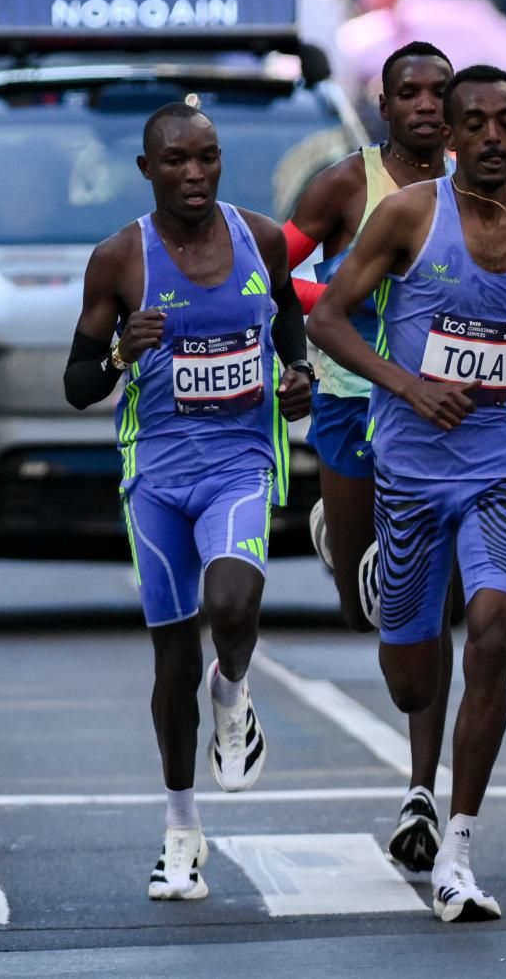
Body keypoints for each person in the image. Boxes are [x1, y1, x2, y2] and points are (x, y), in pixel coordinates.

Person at [307, 65, 506, 921]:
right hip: (409, 470)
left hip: (502, 465)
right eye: (479, 123)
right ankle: (359, 555)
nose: (495, 136)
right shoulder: (407, 214)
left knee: (493, 632)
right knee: (409, 677)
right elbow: (326, 316)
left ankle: (459, 847)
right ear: (455, 136)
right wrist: (406, 385)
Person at [63, 103, 314, 900]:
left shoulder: (260, 239)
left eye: (207, 158)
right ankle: (180, 831)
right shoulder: (119, 260)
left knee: (233, 604)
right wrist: (117, 352)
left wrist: (298, 374)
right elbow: (76, 386)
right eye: (176, 162)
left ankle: (233, 692)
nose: (195, 174)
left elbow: (287, 317)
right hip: (157, 477)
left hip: (240, 463)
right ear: (148, 171)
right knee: (171, 659)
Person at [282, 40, 457, 872]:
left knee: (427, 606)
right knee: (365, 611)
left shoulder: (479, 189)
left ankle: (422, 786)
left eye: (439, 92)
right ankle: (338, 535)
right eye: (410, 93)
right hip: (352, 404)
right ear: (384, 106)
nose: (426, 105)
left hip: (439, 421)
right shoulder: (346, 185)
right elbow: (265, 272)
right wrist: (287, 354)